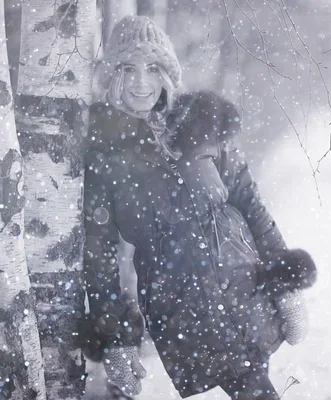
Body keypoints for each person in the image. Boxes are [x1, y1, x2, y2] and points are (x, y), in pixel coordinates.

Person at [78, 15, 316, 400]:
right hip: (184, 315)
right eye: (129, 68)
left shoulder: (201, 123)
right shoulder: (104, 158)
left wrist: (286, 283)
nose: (141, 82)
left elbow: (250, 203)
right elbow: (99, 256)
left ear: (167, 75)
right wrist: (116, 338)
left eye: (152, 68)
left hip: (247, 292)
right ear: (113, 77)